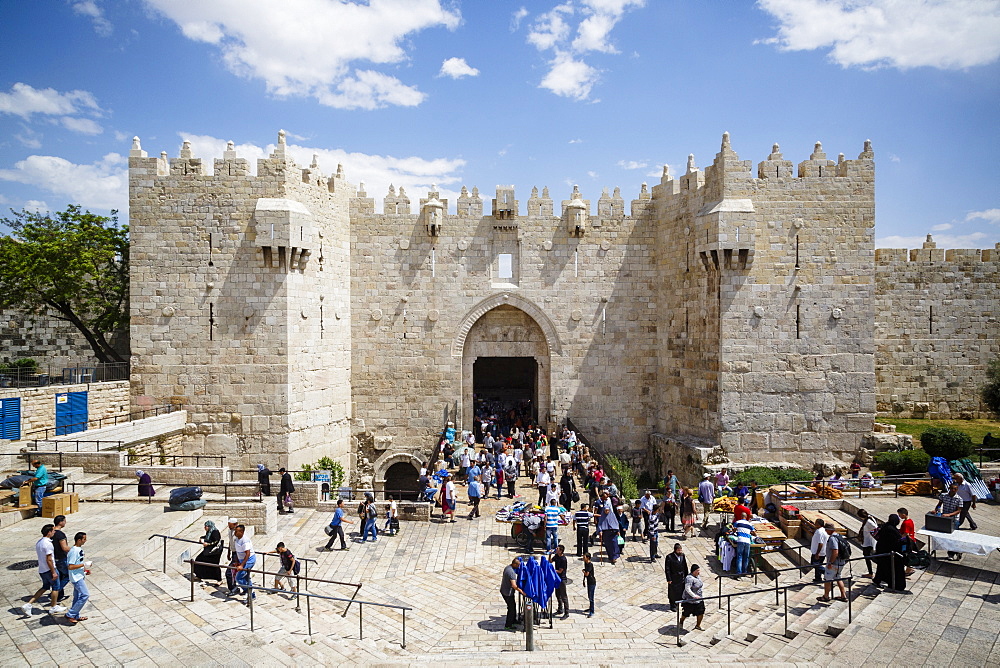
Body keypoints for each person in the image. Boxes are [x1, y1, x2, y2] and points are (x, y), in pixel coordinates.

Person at [22, 524, 67, 616]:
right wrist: (53, 572)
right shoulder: (48, 544)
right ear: (49, 532)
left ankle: (28, 604)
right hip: (49, 570)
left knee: (45, 587)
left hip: (42, 570)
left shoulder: (39, 542)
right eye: (53, 531)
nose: (54, 532)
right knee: (56, 588)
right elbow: (49, 559)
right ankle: (54, 606)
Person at [873, 514, 906, 592]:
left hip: (883, 550)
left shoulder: (887, 526)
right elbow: (895, 541)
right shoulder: (891, 529)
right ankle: (882, 581)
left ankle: (877, 580)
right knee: (885, 567)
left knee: (882, 566)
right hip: (886, 552)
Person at [64, 532, 91, 624]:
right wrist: (84, 564)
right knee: (85, 595)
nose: (85, 540)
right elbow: (70, 566)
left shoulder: (79, 549)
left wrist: (84, 570)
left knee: (78, 596)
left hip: (79, 575)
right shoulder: (74, 551)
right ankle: (70, 614)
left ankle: (76, 615)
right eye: (84, 539)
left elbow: (77, 563)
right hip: (76, 578)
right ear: (79, 540)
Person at [817, 524, 848, 603]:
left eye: (826, 530)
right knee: (838, 577)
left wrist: (830, 562)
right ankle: (843, 596)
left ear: (830, 530)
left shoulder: (832, 539)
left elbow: (835, 551)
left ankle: (826, 596)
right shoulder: (840, 536)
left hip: (834, 564)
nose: (826, 532)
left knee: (827, 580)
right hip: (841, 562)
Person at [933, 484, 964, 559]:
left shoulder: (959, 499)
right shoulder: (943, 496)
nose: (953, 490)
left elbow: (959, 510)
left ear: (957, 490)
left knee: (953, 537)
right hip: (945, 519)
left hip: (954, 520)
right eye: (952, 488)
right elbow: (939, 504)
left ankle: (952, 553)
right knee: (945, 537)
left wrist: (949, 515)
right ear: (949, 488)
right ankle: (955, 551)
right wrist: (936, 510)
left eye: (955, 489)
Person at [232, 524, 256, 604]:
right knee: (246, 578)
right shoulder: (237, 539)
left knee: (239, 577)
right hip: (242, 559)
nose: (235, 532)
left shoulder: (244, 540)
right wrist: (237, 562)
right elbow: (238, 551)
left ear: (241, 532)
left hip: (249, 560)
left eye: (236, 531)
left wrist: (242, 565)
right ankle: (251, 594)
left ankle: (248, 591)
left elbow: (248, 554)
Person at [501, 557, 525, 630]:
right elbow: (514, 585)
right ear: (514, 564)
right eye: (518, 565)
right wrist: (521, 591)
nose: (518, 567)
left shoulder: (507, 567)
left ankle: (514, 620)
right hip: (507, 593)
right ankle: (508, 625)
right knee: (511, 609)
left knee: (513, 607)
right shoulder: (511, 573)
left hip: (504, 590)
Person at [596, 491, 620, 564]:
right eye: (605, 510)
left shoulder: (612, 515)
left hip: (613, 532)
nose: (607, 512)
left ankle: (615, 557)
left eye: (608, 510)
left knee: (615, 544)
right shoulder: (602, 517)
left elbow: (615, 523)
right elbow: (600, 524)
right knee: (609, 546)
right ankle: (611, 557)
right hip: (606, 533)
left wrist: (618, 530)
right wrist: (600, 531)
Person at [679, 564, 705, 631]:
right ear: (694, 571)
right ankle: (681, 622)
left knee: (701, 612)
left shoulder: (697, 577)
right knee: (686, 613)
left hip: (699, 599)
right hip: (689, 600)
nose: (699, 572)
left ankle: (698, 625)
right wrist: (694, 596)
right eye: (697, 570)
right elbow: (687, 588)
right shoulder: (689, 578)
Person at [51, 515, 70, 603]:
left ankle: (58, 595)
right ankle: (56, 591)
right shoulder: (60, 534)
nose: (65, 522)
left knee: (60, 576)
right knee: (67, 575)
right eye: (64, 521)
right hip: (61, 558)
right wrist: (75, 550)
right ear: (60, 522)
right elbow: (64, 548)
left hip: (53, 558)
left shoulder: (51, 532)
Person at [665, 543, 688, 611]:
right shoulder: (669, 557)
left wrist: (686, 576)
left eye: (681, 550)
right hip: (673, 577)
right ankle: (673, 605)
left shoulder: (682, 556)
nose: (680, 552)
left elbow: (685, 566)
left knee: (681, 591)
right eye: (678, 550)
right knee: (673, 592)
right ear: (675, 550)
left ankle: (679, 602)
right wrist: (669, 579)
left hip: (681, 577)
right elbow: (667, 569)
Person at [898, 507, 917, 576]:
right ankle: (908, 569)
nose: (899, 516)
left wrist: (900, 539)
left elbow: (906, 534)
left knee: (905, 555)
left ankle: (908, 569)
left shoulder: (906, 523)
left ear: (903, 514)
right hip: (911, 540)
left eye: (899, 515)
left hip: (907, 542)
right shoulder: (910, 521)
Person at [552, 544, 569, 619]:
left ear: (561, 551)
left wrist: (552, 570)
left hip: (562, 579)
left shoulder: (563, 559)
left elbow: (560, 571)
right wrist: (549, 554)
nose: (556, 549)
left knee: (563, 596)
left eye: (557, 548)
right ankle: (560, 609)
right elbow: (550, 561)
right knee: (557, 594)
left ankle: (567, 612)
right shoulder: (556, 556)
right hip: (556, 578)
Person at [858, 509, 877, 578]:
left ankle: (871, 573)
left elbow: (875, 529)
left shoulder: (869, 521)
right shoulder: (869, 518)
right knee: (868, 557)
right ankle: (870, 572)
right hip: (866, 541)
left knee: (868, 557)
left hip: (869, 542)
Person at [582, 552, 596, 617]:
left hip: (592, 582)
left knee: (591, 597)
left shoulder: (590, 564)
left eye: (584, 557)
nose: (583, 558)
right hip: (588, 581)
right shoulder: (586, 563)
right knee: (589, 596)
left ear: (588, 558)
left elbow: (587, 574)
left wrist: (584, 571)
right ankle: (590, 607)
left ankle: (592, 611)